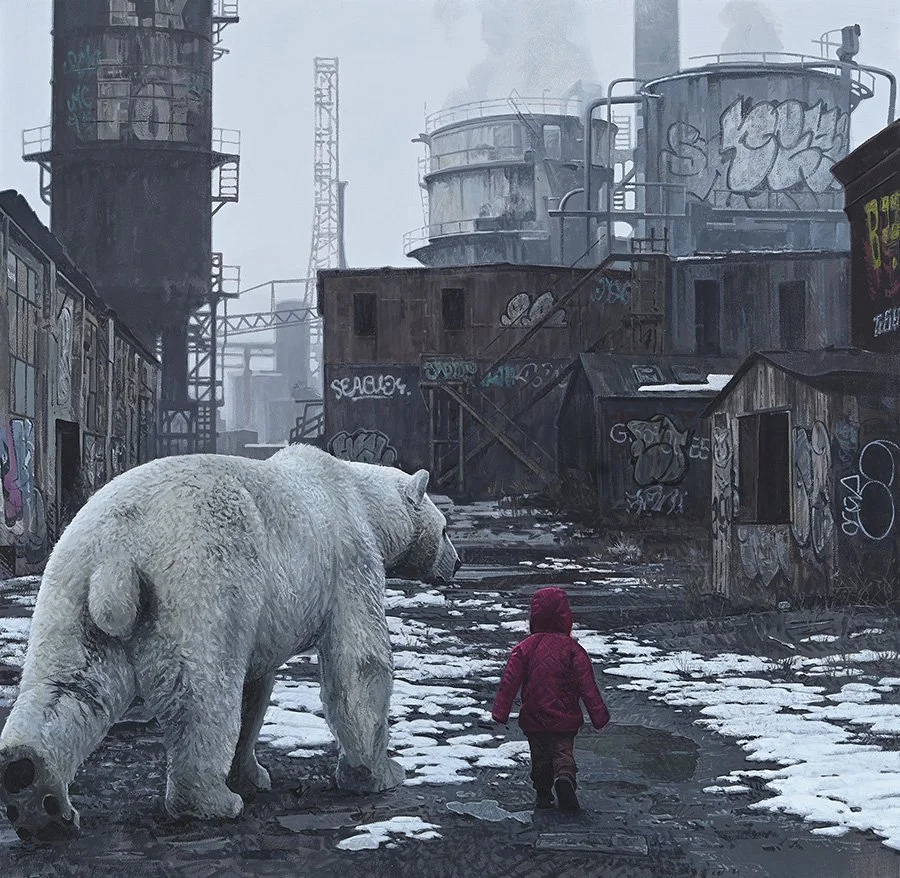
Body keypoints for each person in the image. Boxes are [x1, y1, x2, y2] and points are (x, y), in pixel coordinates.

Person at [491, 586, 610, 812]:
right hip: (565, 717)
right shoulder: (573, 650)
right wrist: (599, 716)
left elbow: (510, 682)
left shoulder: (524, 649)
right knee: (562, 752)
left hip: (534, 717)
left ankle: (543, 793)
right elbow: (587, 686)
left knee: (540, 757)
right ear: (566, 616)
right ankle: (564, 777)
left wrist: (500, 711)